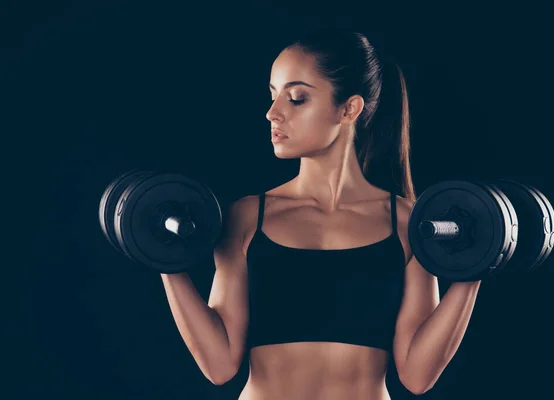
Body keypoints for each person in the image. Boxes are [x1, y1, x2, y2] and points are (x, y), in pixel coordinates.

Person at [160, 29, 481, 399]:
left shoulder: (410, 224)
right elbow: (219, 366)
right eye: (273, 94)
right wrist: (168, 262)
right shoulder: (248, 218)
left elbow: (416, 376)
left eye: (296, 98)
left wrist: (472, 273)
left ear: (349, 109)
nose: (272, 112)